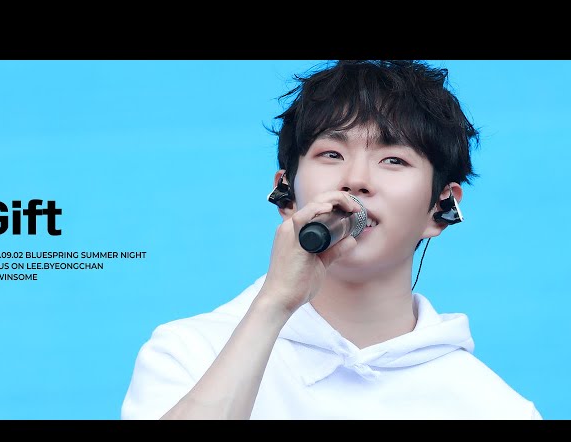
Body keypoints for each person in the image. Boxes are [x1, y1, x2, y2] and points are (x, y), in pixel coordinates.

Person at [121, 60, 542, 420]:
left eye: (393, 159)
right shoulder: (190, 353)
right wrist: (273, 305)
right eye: (331, 155)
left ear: (441, 208)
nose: (356, 179)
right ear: (286, 195)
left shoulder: (493, 407)